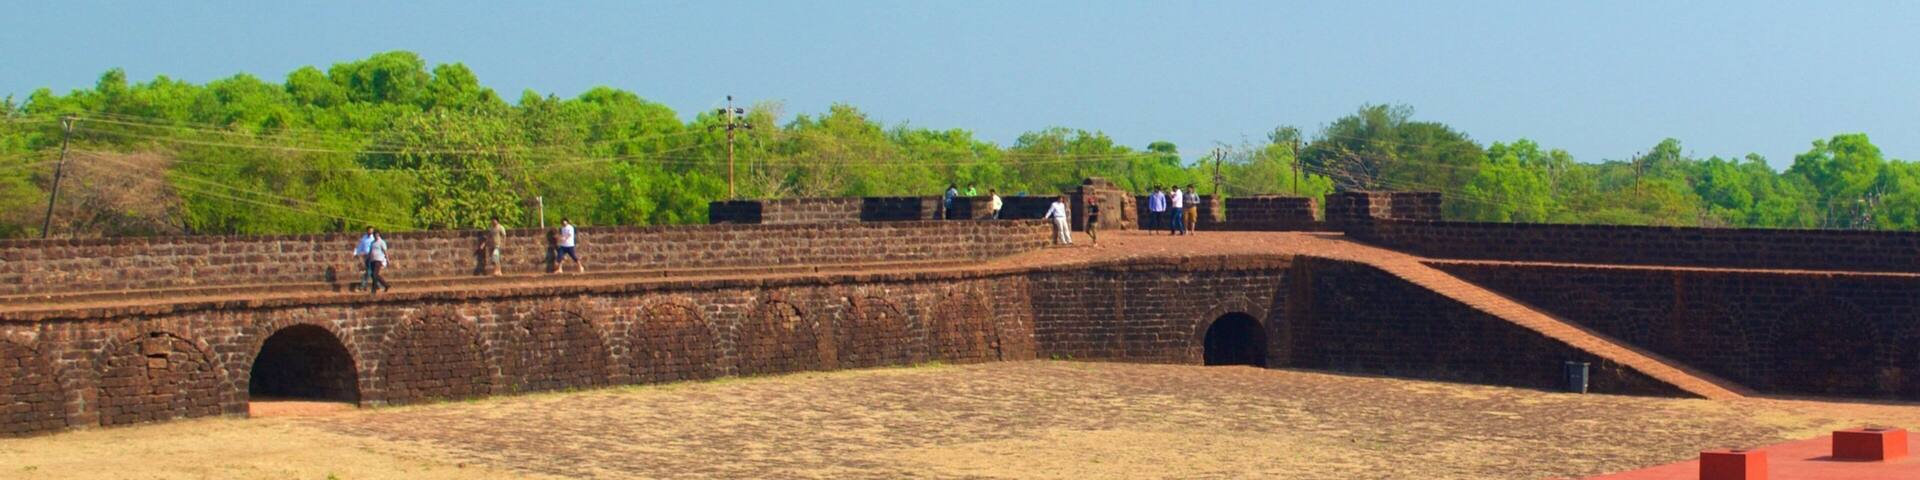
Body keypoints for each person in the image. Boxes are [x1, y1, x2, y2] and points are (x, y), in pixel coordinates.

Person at [352, 226, 377, 292]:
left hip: (373, 256)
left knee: (369, 272)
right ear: (367, 231)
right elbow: (361, 246)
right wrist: (356, 253)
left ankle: (362, 286)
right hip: (367, 257)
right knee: (371, 272)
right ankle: (379, 285)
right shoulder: (364, 238)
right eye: (370, 230)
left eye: (372, 231)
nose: (371, 232)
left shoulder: (374, 238)